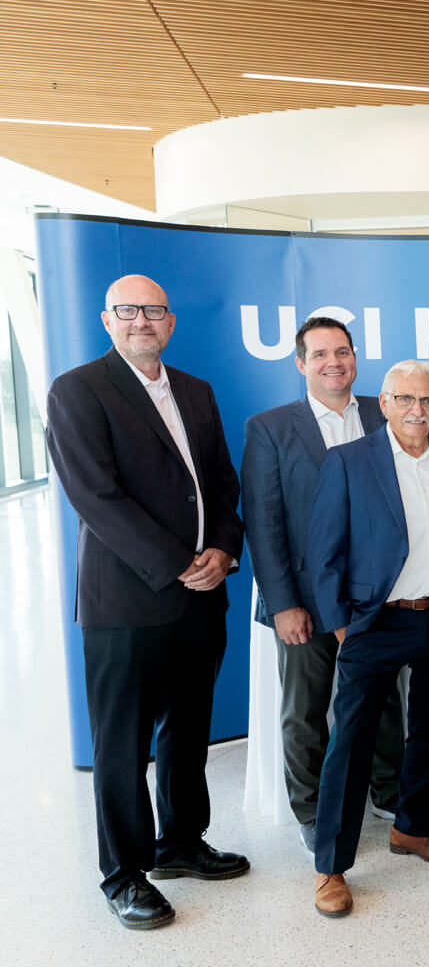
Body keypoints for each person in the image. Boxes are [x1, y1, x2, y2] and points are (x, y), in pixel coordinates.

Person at [45, 274, 249, 930]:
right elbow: (96, 496)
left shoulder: (196, 390)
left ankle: (180, 843)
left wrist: (223, 549)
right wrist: (177, 563)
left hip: (202, 596)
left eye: (154, 310)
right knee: (123, 744)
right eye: (128, 310)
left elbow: (222, 483)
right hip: (126, 602)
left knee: (188, 729)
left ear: (170, 321)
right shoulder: (78, 389)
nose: (142, 320)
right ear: (108, 320)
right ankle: (123, 874)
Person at [305, 359, 429, 918]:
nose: (416, 410)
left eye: (428, 400)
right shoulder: (348, 461)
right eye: (405, 399)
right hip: (375, 621)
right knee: (351, 743)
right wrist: (342, 626)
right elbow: (323, 552)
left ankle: (413, 827)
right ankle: (330, 865)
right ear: (383, 403)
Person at [241, 316, 405, 854]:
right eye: (320, 354)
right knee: (306, 710)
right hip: (305, 600)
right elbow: (263, 522)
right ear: (300, 363)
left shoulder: (386, 415)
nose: (333, 362)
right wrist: (283, 604)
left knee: (383, 699)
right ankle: (313, 810)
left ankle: (389, 791)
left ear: (355, 357)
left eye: (342, 352)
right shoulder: (270, 427)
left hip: (375, 596)